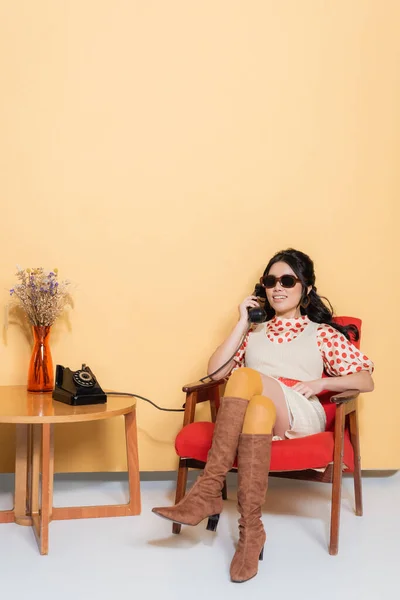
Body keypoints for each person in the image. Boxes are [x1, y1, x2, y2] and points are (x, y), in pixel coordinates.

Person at [152, 248, 374, 583]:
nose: (277, 287)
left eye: (288, 280)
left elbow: (365, 379)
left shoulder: (322, 333)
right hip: (260, 414)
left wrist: (322, 382)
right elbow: (214, 375)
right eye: (270, 281)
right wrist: (242, 321)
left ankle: (207, 491)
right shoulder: (253, 333)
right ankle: (251, 533)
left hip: (299, 412)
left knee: (243, 378)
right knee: (255, 405)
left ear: (306, 288)